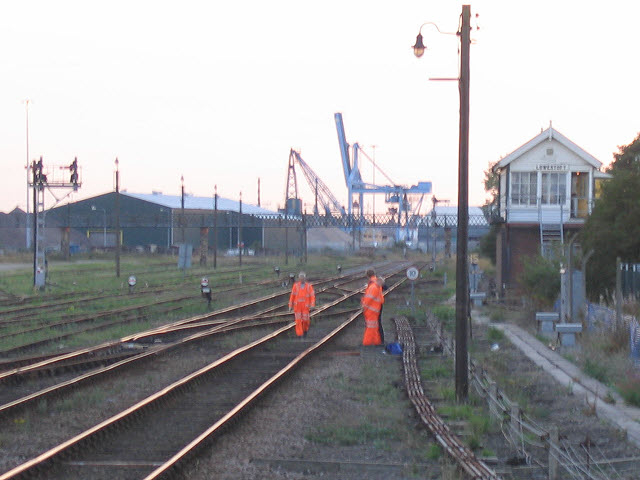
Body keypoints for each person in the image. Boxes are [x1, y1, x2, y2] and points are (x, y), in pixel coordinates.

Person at [289, 272, 315, 337]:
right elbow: (292, 296)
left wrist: (312, 305)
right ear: (299, 278)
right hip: (297, 306)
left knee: (305, 320)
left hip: (305, 307)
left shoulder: (309, 286)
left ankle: (305, 331)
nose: (302, 279)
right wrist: (290, 305)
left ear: (305, 278)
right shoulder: (295, 286)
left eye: (303, 277)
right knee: (298, 321)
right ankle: (299, 334)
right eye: (300, 277)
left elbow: (312, 296)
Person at [361, 269, 384, 346]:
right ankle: (377, 341)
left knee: (371, 326)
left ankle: (367, 342)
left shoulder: (372, 286)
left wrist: (364, 306)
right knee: (375, 326)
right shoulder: (375, 283)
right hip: (376, 307)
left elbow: (369, 298)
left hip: (372, 309)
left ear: (367, 276)